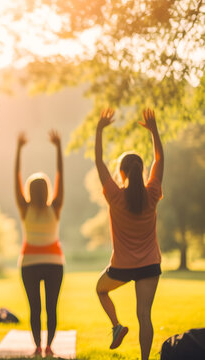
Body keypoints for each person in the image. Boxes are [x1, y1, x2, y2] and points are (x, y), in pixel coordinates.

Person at [95, 108, 164, 360]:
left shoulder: (115, 197)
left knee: (101, 290)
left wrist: (99, 129)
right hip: (149, 265)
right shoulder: (152, 193)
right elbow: (159, 160)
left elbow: (99, 162)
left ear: (122, 173)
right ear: (141, 171)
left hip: (121, 267)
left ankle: (116, 326)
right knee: (144, 316)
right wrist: (154, 131)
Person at [14, 130, 64, 357]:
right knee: (51, 307)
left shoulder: (25, 209)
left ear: (29, 191)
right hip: (54, 263)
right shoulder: (55, 207)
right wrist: (58, 147)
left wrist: (18, 149)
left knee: (35, 307)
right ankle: (49, 347)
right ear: (47, 190)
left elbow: (15, 177)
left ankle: (37, 347)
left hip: (29, 263)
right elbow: (61, 175)